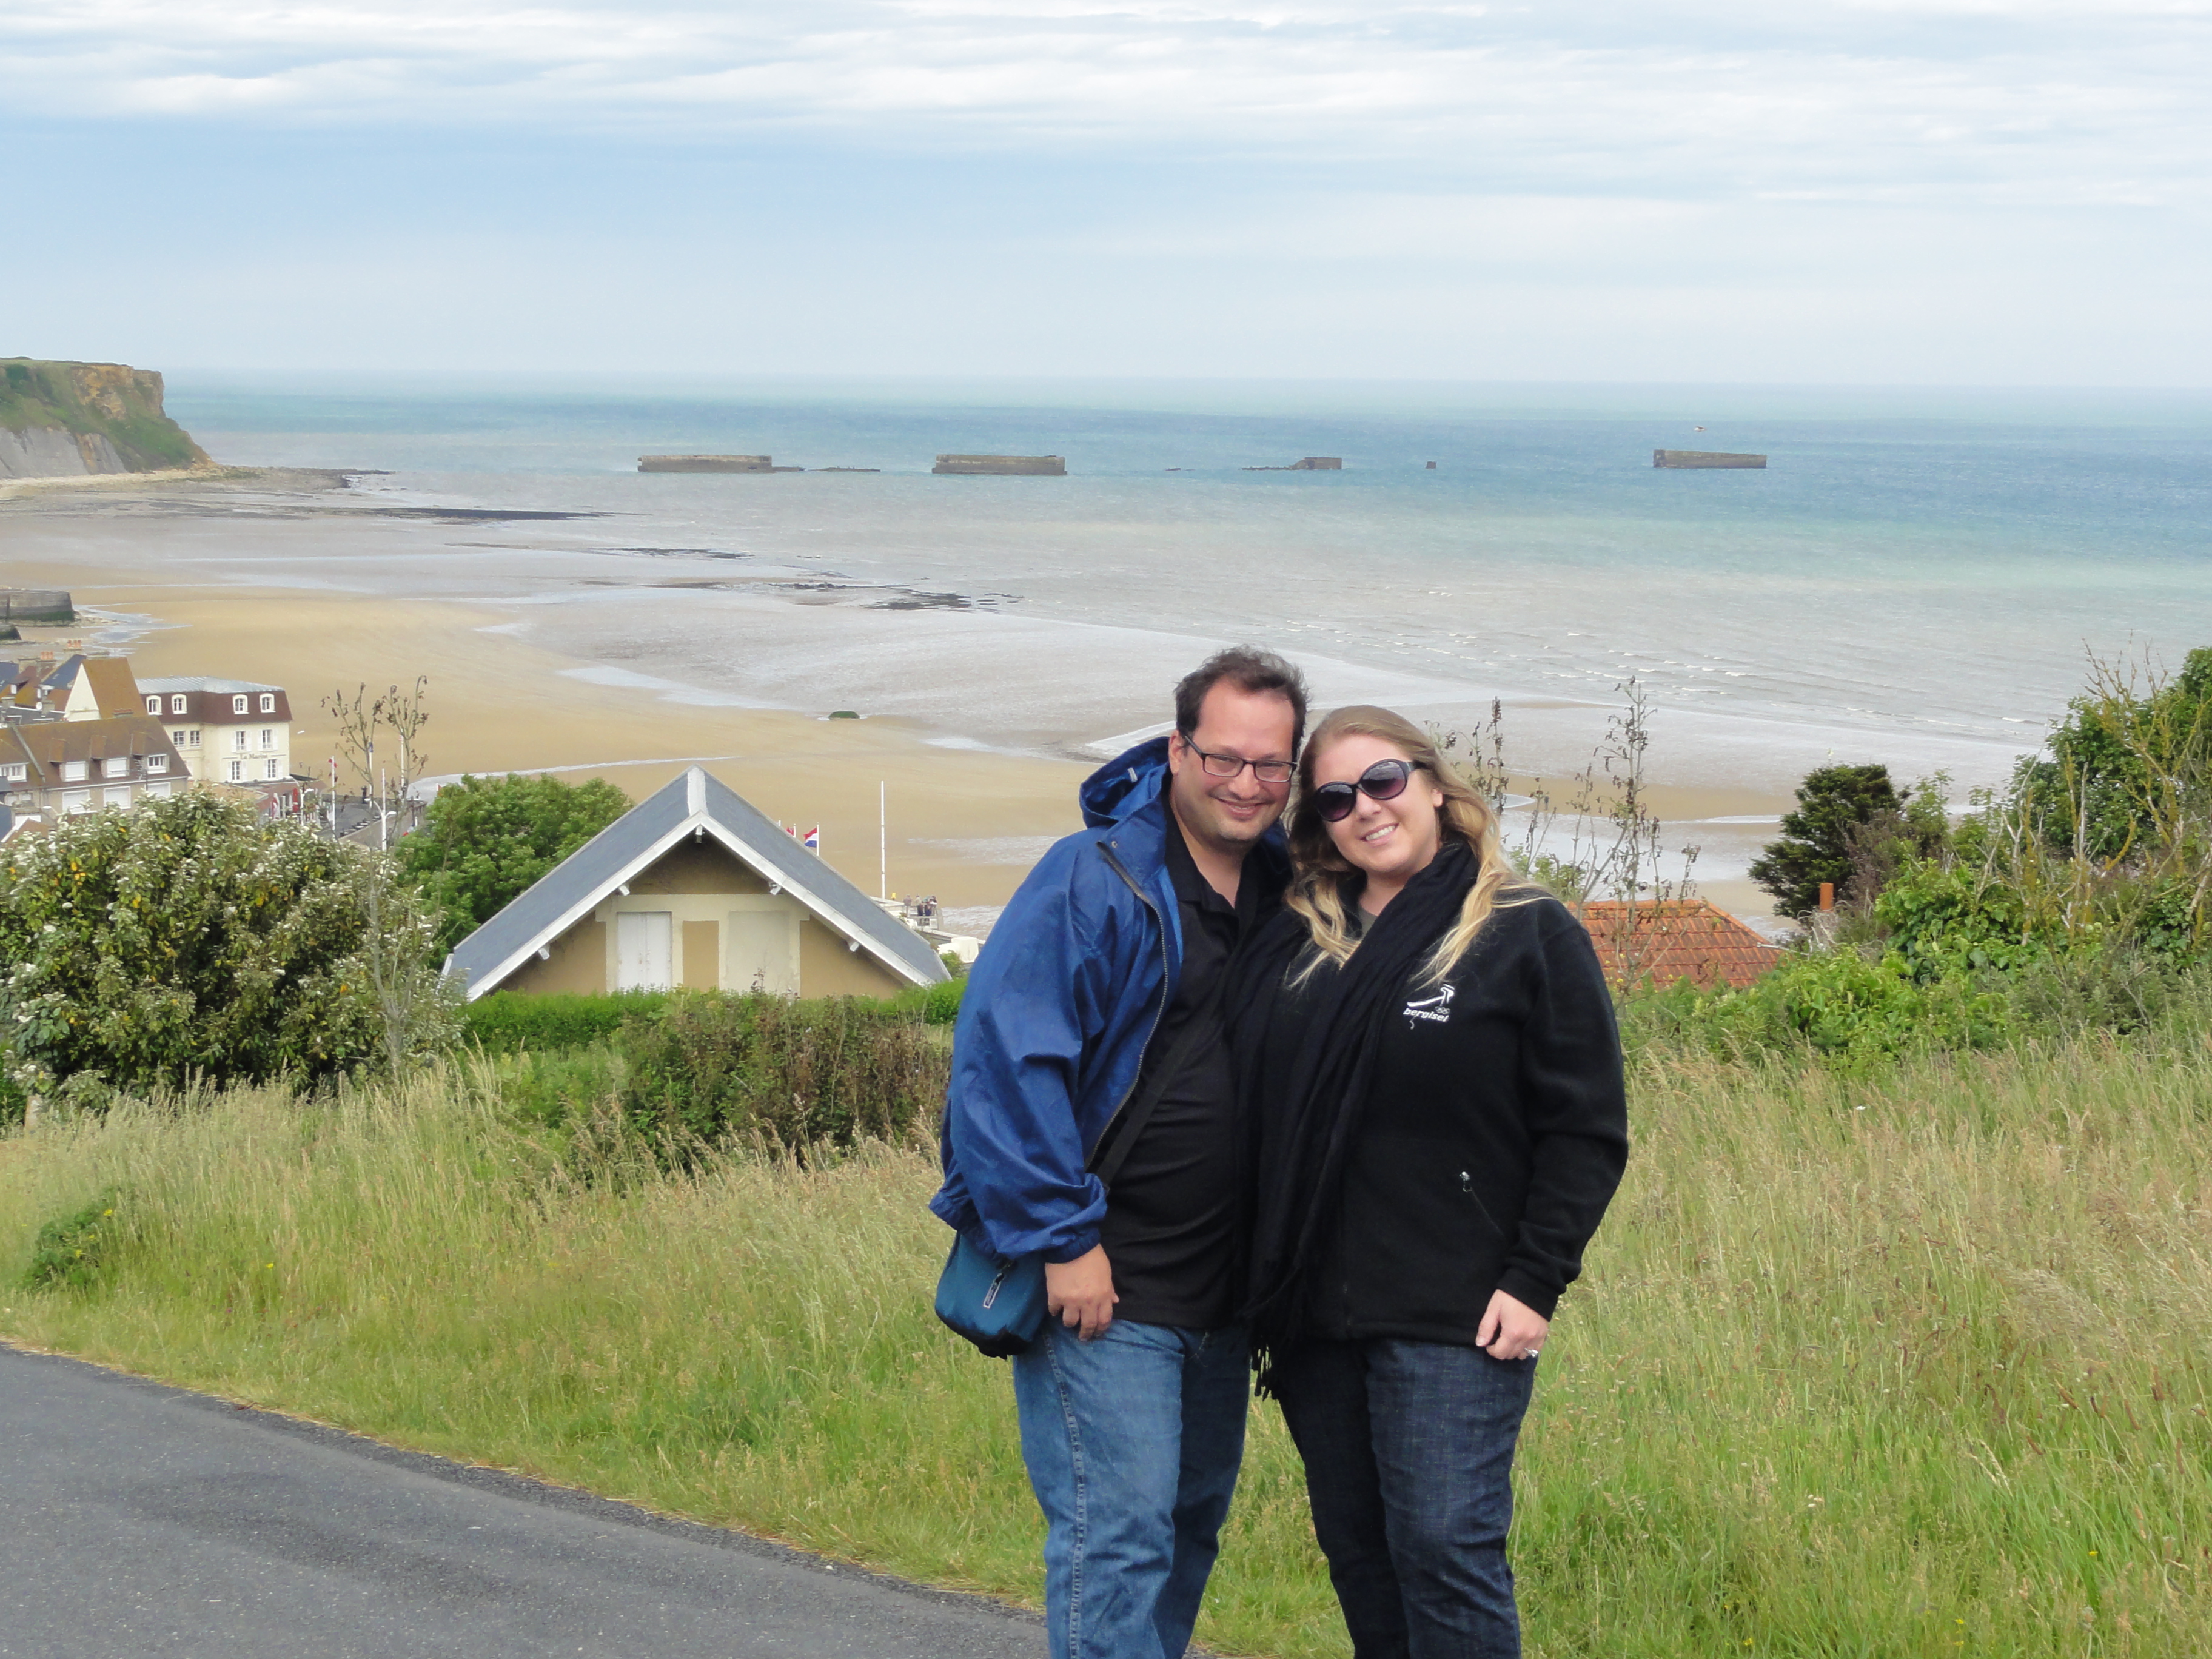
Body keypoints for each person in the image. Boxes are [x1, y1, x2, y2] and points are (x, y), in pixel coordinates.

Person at [931, 645, 1309, 1659]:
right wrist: (1063, 1239)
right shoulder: (1094, 879)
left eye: (1270, 765)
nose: (1244, 783)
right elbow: (1006, 1066)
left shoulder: (1290, 892)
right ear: (1177, 749)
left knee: (1186, 1538)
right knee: (1119, 1544)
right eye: (1223, 756)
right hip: (1109, 1285)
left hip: (1225, 1298)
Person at [1231, 705, 1628, 1659]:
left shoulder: (1525, 932)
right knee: (1362, 1554)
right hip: (1314, 1314)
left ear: (1435, 786)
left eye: (1383, 781)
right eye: (1334, 798)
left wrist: (1537, 1280)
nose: (1365, 809)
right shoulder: (1295, 944)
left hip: (1458, 1311)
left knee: (1445, 1547)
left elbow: (1586, 1129)